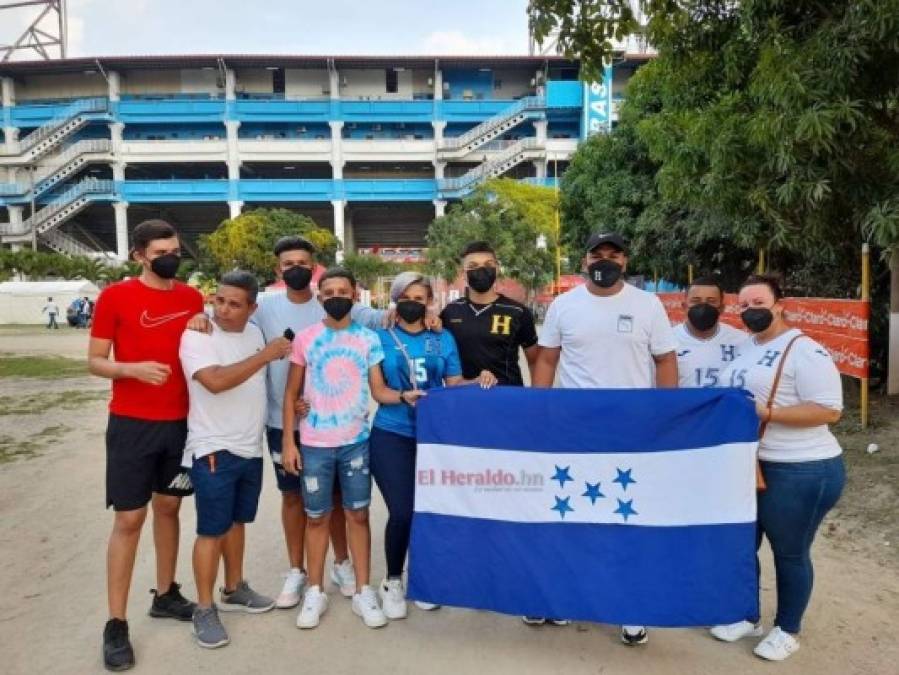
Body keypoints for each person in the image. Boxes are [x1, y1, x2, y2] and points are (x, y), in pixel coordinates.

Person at [187, 236, 395, 609]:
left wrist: (427, 313)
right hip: (281, 420)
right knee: (294, 497)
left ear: (313, 267)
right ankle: (297, 570)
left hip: (332, 422)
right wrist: (201, 315)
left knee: (335, 496)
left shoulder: (337, 302)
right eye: (287, 264)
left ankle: (342, 563)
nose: (294, 268)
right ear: (278, 270)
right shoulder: (264, 308)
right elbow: (226, 316)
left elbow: (386, 317)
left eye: (302, 261)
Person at [533, 231, 678, 645]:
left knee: (626, 516)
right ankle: (561, 596)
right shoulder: (564, 305)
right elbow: (547, 359)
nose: (605, 260)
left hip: (632, 431)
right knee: (568, 512)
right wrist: (538, 413)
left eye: (614, 254)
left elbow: (665, 361)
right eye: (598, 253)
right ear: (584, 261)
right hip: (573, 429)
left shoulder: (647, 305)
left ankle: (629, 605)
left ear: (626, 263)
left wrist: (665, 416)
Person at [281, 268, 425, 630]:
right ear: (320, 298)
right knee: (317, 518)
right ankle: (315, 590)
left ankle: (363, 590)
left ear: (355, 293)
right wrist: (288, 441)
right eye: (328, 292)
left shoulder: (368, 339)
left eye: (342, 290)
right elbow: (291, 393)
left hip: (356, 442)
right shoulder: (306, 338)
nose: (335, 297)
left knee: (358, 515)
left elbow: (378, 391)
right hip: (314, 443)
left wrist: (403, 396)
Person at [88, 219, 203, 671]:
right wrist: (132, 369)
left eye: (175, 249)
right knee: (130, 519)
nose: (170, 258)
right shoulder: (115, 297)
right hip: (133, 424)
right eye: (160, 252)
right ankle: (116, 622)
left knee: (170, 509)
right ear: (139, 255)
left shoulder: (192, 297)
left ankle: (167, 593)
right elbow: (95, 362)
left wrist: (203, 323)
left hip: (181, 424)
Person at [713, 274, 845, 662]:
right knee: (743, 543)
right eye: (744, 305)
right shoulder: (746, 346)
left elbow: (829, 410)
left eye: (759, 303)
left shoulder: (804, 350)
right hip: (751, 463)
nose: (750, 311)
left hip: (800, 467)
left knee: (789, 552)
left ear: (779, 304)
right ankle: (746, 613)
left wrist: (769, 413)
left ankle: (788, 628)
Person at [179, 271, 291, 649]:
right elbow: (215, 381)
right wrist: (265, 355)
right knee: (211, 529)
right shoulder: (198, 334)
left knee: (237, 521)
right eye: (219, 300)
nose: (223, 310)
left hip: (249, 446)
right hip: (213, 447)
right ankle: (204, 607)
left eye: (234, 304)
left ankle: (234, 587)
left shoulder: (255, 332)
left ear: (252, 308)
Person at [370, 272, 464, 620]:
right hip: (391, 434)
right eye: (406, 296)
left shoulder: (443, 338)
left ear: (429, 302)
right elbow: (378, 392)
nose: (413, 302)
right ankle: (393, 580)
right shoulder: (378, 337)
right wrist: (402, 397)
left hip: (433, 437)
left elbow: (453, 383)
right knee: (403, 511)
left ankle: (422, 579)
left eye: (420, 297)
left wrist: (482, 380)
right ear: (395, 300)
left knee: (428, 512)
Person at [439, 241, 539, 388]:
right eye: (473, 266)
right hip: (463, 399)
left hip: (508, 399)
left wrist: (536, 399)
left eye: (488, 265)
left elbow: (535, 361)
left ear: (497, 269)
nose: (481, 270)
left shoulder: (518, 312)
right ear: (463, 274)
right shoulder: (450, 312)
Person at [674, 275, 748, 388]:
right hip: (686, 405)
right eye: (696, 301)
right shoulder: (668, 340)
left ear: (722, 308)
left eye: (711, 301)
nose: (703, 306)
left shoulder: (742, 341)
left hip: (725, 405)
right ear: (684, 306)